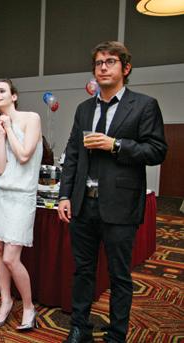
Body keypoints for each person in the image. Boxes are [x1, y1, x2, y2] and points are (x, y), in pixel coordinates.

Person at [58, 41, 167, 343]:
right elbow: (73, 155)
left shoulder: (144, 105)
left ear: (125, 68)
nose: (103, 67)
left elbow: (157, 150)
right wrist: (65, 196)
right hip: (82, 204)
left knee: (119, 276)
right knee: (82, 271)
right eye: (98, 63)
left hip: (120, 205)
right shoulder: (84, 109)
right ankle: (79, 327)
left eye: (110, 62)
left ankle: (117, 334)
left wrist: (115, 145)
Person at [0, 79, 43, 331]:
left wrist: (9, 129)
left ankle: (28, 306)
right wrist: (1, 135)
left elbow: (25, 155)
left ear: (14, 96)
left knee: (10, 257)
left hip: (21, 196)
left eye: (2, 91)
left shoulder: (31, 118)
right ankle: (6, 301)